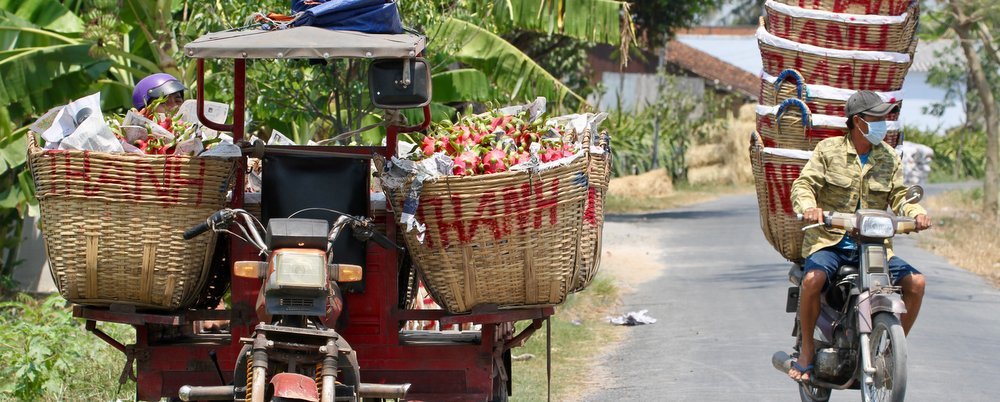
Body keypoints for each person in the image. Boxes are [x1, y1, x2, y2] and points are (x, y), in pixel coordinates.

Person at [788, 90, 932, 382]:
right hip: (830, 240)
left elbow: (901, 195)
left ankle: (892, 352)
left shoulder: (889, 157)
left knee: (916, 283)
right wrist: (810, 208)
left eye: (885, 118)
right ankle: (806, 351)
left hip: (875, 246)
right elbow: (804, 184)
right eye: (876, 118)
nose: (883, 123)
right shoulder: (829, 150)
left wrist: (915, 212)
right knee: (812, 280)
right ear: (858, 121)